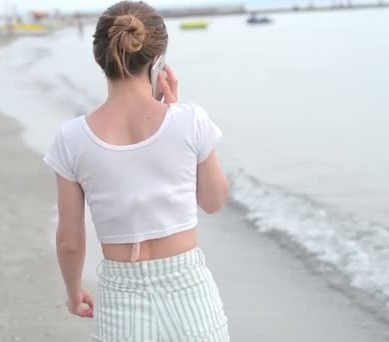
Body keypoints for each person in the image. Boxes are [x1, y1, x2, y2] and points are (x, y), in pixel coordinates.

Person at [43, 1, 230, 341]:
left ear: (100, 57)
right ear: (158, 60)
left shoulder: (71, 139)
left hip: (120, 296)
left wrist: (73, 292)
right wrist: (174, 113)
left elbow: (69, 241)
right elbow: (214, 200)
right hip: (189, 293)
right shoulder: (189, 120)